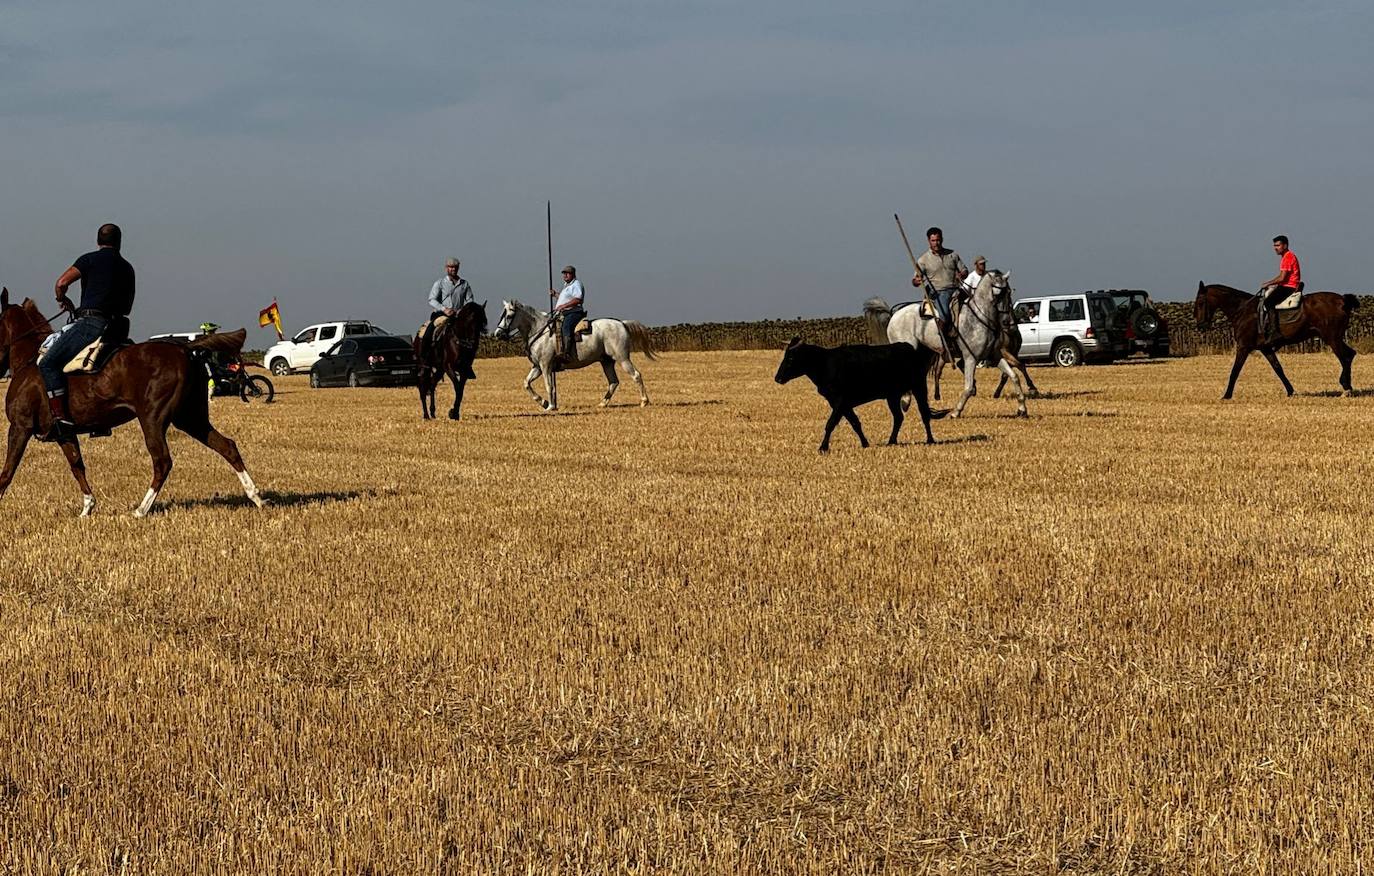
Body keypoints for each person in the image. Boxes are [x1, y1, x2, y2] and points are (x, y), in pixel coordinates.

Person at [40, 223, 134, 441]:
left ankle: (60, 420)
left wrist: (62, 299)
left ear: (98, 241)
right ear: (119, 242)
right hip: (118, 328)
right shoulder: (127, 267)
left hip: (91, 323)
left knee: (49, 363)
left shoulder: (89, 259)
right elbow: (128, 303)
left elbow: (61, 282)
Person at [912, 227, 968, 343]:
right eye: (933, 240)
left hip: (956, 289)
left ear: (942, 239)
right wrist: (917, 281)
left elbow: (964, 270)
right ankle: (943, 341)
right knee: (945, 314)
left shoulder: (952, 255)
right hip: (939, 292)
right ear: (928, 241)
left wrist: (962, 274)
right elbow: (915, 279)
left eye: (938, 240)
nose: (936, 243)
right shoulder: (923, 260)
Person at [422, 257, 473, 351]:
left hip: (458, 315)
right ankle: (425, 354)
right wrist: (444, 309)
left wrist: (461, 311)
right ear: (446, 268)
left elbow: (470, 300)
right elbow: (432, 299)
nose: (453, 269)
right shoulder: (440, 283)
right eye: (451, 267)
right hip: (441, 314)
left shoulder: (464, 284)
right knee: (429, 331)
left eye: (455, 267)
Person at [1259, 235, 1301, 343]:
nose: (1275, 248)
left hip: (1289, 286)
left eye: (1278, 245)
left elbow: (1282, 277)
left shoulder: (1287, 257)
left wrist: (1268, 283)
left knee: (1268, 302)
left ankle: (1275, 332)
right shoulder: (1287, 256)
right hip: (1288, 285)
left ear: (1285, 245)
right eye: (1274, 246)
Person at [549, 265, 586, 366]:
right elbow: (565, 298)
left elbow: (578, 299)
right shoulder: (566, 285)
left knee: (566, 326)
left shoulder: (577, 284)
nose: (565, 275)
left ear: (573, 274)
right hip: (564, 312)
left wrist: (563, 306)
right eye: (564, 273)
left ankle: (566, 354)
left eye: (567, 273)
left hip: (574, 312)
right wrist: (556, 294)